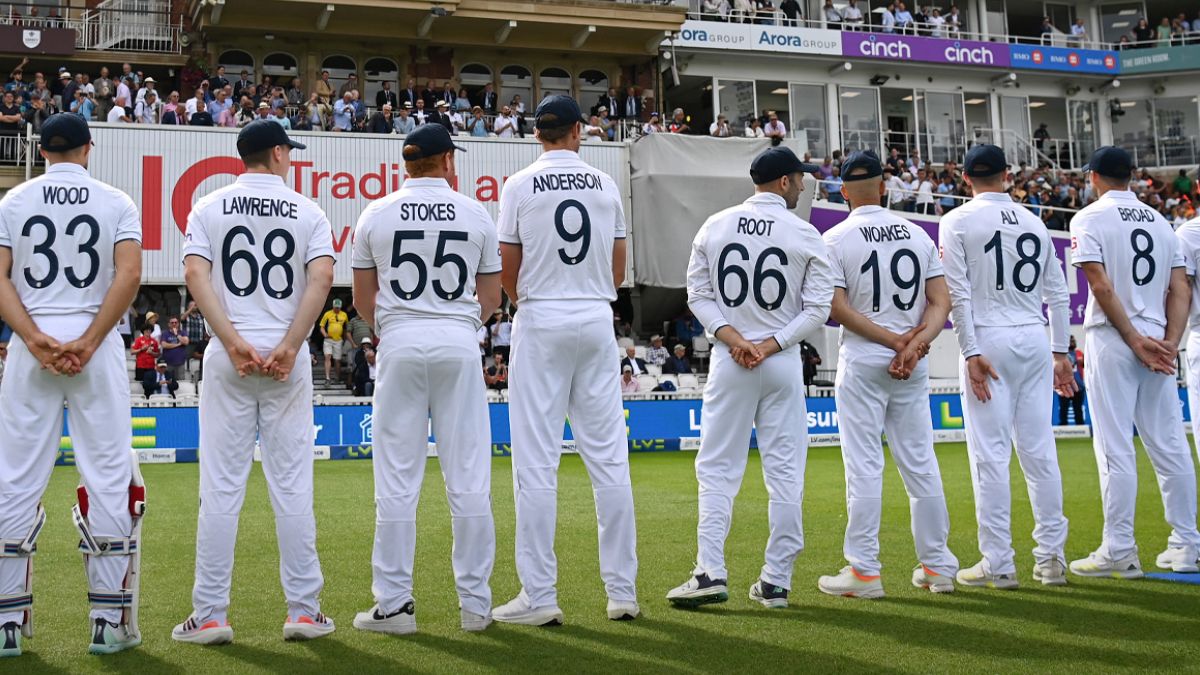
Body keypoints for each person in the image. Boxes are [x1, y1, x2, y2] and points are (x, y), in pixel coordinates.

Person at [174, 120, 336, 644]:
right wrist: (290, 344)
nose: (291, 156)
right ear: (277, 152)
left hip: (231, 354)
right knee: (292, 485)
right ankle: (305, 610)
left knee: (220, 486)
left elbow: (196, 275)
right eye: (288, 149)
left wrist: (232, 341)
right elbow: (322, 279)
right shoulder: (308, 210)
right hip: (287, 358)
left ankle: (211, 613)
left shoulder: (208, 206)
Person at [0, 113, 144, 656]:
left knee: (14, 475)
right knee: (107, 475)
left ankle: (6, 624)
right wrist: (87, 341)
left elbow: (0, 276)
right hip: (95, 340)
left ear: (42, 151)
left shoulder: (13, 202)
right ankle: (108, 619)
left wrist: (35, 338)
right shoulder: (115, 200)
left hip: (31, 342)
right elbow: (128, 275)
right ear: (88, 148)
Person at [493, 95, 639, 625]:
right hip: (596, 316)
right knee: (609, 459)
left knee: (536, 461)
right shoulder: (604, 184)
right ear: (578, 131)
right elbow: (619, 271)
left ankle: (540, 594)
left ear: (538, 134)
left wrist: (526, 299)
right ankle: (622, 591)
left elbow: (508, 267)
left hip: (542, 315)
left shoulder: (518, 184)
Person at [351, 123, 501, 634]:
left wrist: (394, 329)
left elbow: (362, 300)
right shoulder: (476, 212)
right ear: (447, 161)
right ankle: (476, 605)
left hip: (400, 339)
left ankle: (393, 605)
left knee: (395, 477)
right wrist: (457, 326)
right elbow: (492, 298)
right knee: (469, 476)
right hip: (458, 340)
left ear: (406, 164)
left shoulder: (375, 212)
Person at [667, 146, 833, 609]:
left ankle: (710, 572)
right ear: (783, 182)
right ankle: (776, 580)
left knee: (718, 468)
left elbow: (697, 293)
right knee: (785, 472)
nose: (802, 185)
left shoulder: (715, 224)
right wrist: (770, 344)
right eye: (799, 179)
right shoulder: (804, 233)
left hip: (731, 357)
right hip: (780, 360)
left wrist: (735, 338)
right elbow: (818, 309)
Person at [815, 151, 957, 599]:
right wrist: (913, 343)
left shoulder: (834, 237)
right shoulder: (917, 234)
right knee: (920, 462)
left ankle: (865, 571)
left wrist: (892, 342)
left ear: (843, 191)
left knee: (864, 466)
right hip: (912, 362)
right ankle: (937, 567)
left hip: (864, 357)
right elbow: (941, 302)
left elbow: (836, 308)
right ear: (883, 186)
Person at [939, 145, 1074, 590]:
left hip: (989, 335)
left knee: (991, 456)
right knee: (1039, 451)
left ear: (965, 178)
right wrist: (1060, 352)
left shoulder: (956, 220)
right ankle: (1052, 558)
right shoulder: (1035, 220)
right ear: (1007, 175)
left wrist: (970, 350)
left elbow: (957, 294)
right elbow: (1058, 293)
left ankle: (998, 562)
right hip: (1033, 335)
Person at [1070, 146, 1200, 577]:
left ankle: (1120, 549)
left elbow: (1101, 286)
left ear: (1093, 177)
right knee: (1170, 444)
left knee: (1114, 446)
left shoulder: (1088, 218)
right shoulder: (1164, 223)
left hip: (1114, 338)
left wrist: (1133, 338)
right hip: (1159, 339)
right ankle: (1186, 543)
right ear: (1131, 176)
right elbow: (1181, 290)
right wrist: (1168, 342)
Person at [1057, 335, 1085, 425]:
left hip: (1078, 387)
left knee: (1078, 409)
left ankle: (1081, 428)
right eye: (1070, 340)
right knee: (1063, 409)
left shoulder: (1079, 353)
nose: (1072, 342)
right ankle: (1063, 428)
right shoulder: (1060, 355)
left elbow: (1085, 364)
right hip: (1064, 386)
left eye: (1073, 340)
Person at [319, 298, 348, 383]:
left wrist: (345, 339)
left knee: (337, 360)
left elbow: (346, 328)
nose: (337, 309)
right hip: (328, 340)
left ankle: (337, 377)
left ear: (341, 307)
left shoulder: (344, 315)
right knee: (327, 357)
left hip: (338, 340)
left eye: (338, 307)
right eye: (335, 307)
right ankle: (327, 378)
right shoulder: (328, 314)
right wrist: (325, 335)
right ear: (333, 306)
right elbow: (321, 326)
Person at [159, 316, 189, 382]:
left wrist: (177, 334)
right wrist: (178, 344)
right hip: (168, 363)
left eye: (176, 322)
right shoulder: (165, 333)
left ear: (178, 324)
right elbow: (164, 345)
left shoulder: (182, 332)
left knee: (180, 382)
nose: (174, 324)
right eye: (172, 323)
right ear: (169, 324)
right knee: (167, 381)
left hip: (180, 363)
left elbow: (186, 342)